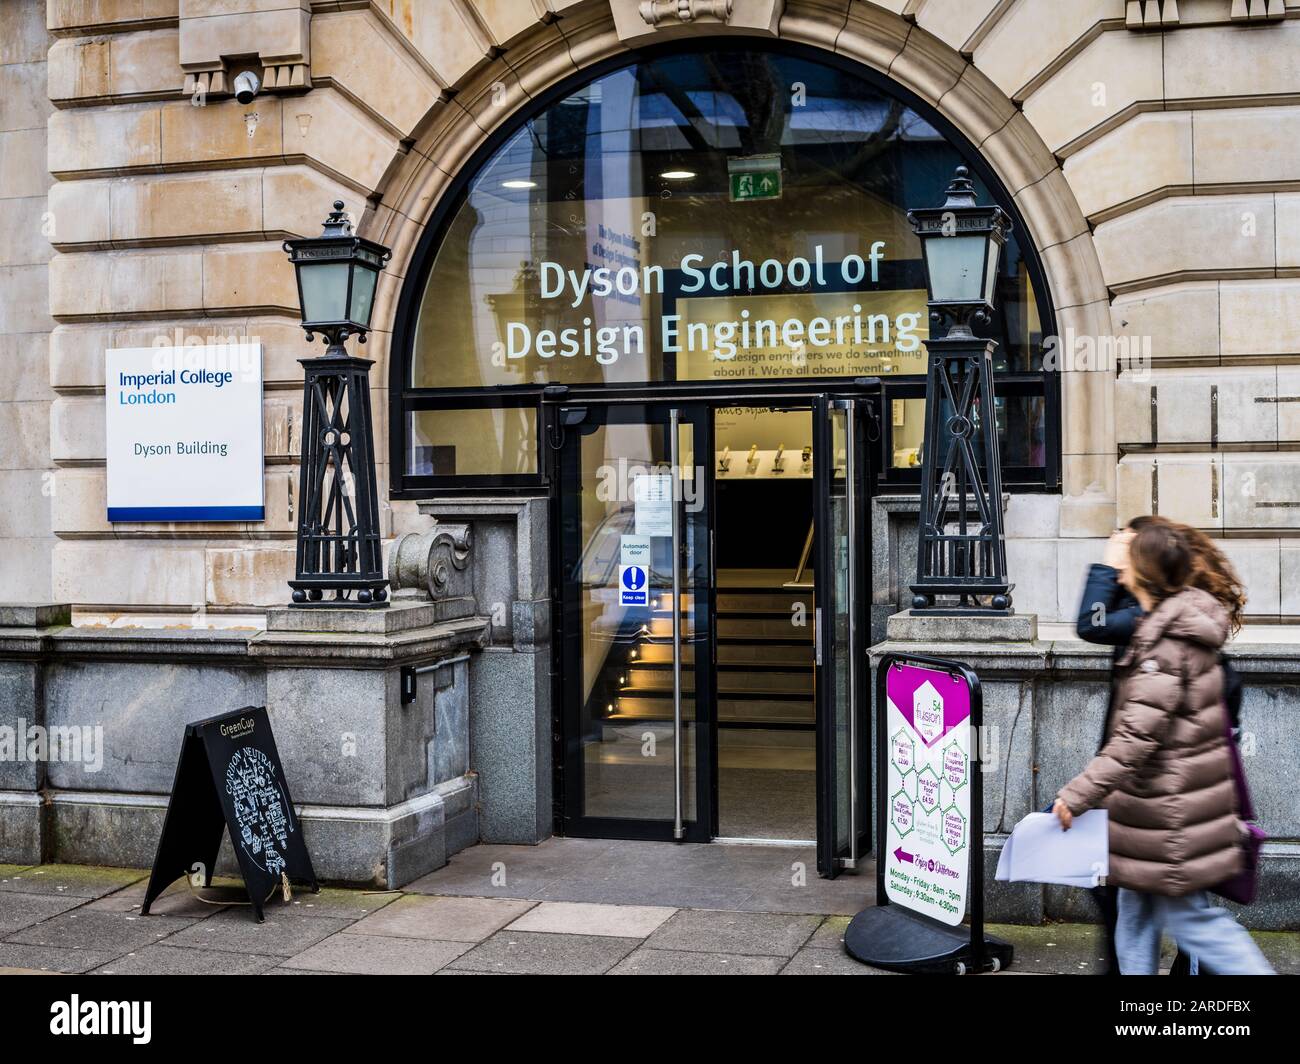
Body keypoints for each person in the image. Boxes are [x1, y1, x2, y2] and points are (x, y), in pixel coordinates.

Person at [1054, 519, 1272, 975]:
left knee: (1197, 925)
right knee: (1134, 917)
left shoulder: (1164, 646)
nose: (1120, 570)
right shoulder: (1174, 628)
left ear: (1143, 573)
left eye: (1127, 561)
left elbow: (1135, 739)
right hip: (1149, 809)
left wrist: (1077, 794)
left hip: (1166, 815)